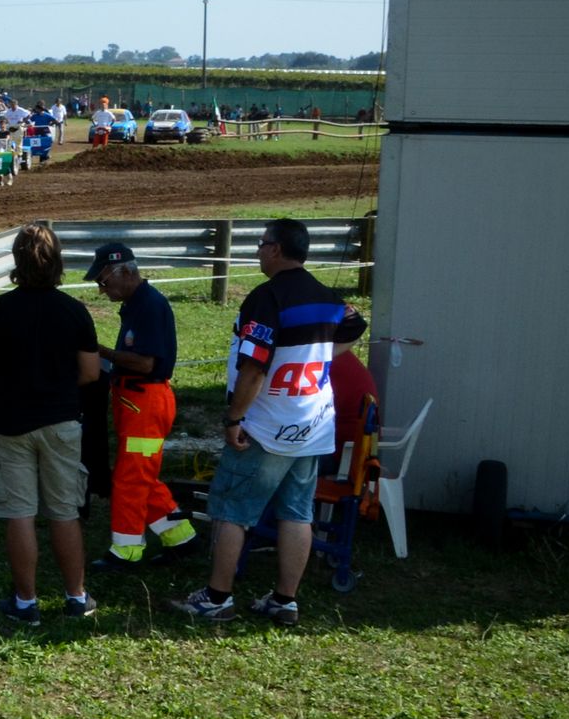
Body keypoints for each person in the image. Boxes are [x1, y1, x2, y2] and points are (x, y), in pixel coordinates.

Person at [173, 219, 367, 627]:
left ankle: (217, 598)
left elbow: (254, 369)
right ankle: (284, 600)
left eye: (262, 245)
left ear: (276, 250)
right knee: (297, 514)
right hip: (312, 425)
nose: (259, 251)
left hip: (264, 425)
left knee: (231, 510)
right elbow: (355, 325)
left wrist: (234, 417)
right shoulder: (327, 296)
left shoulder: (266, 298)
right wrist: (323, 354)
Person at [0, 222, 101, 624]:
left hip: (9, 423)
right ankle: (76, 597)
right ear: (57, 262)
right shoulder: (74, 310)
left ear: (16, 262)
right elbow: (91, 372)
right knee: (64, 511)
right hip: (60, 421)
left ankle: (26, 603)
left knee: (18, 512)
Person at [84, 244, 198, 568]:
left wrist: (102, 352)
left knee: (130, 479)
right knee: (141, 474)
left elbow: (146, 363)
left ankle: (127, 550)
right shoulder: (137, 303)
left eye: (104, 281)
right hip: (135, 401)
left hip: (145, 403)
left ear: (128, 273)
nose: (101, 288)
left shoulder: (149, 306)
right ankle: (181, 536)